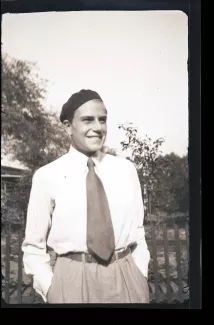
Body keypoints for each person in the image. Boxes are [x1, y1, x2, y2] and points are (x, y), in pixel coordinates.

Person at [22, 89, 150, 304]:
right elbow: (34, 246)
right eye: (88, 120)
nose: (98, 128)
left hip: (126, 277)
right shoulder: (47, 176)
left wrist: (139, 275)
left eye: (103, 120)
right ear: (68, 126)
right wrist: (52, 289)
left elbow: (138, 232)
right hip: (72, 282)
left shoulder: (125, 170)